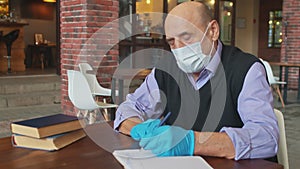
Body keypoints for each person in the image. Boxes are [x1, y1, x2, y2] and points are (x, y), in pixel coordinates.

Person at [114, 1, 279, 160]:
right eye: (172, 42)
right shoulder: (166, 69)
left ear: (213, 31)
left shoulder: (246, 69)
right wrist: (138, 129)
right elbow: (128, 109)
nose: (178, 48)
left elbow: (267, 138)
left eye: (186, 37)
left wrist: (193, 142)